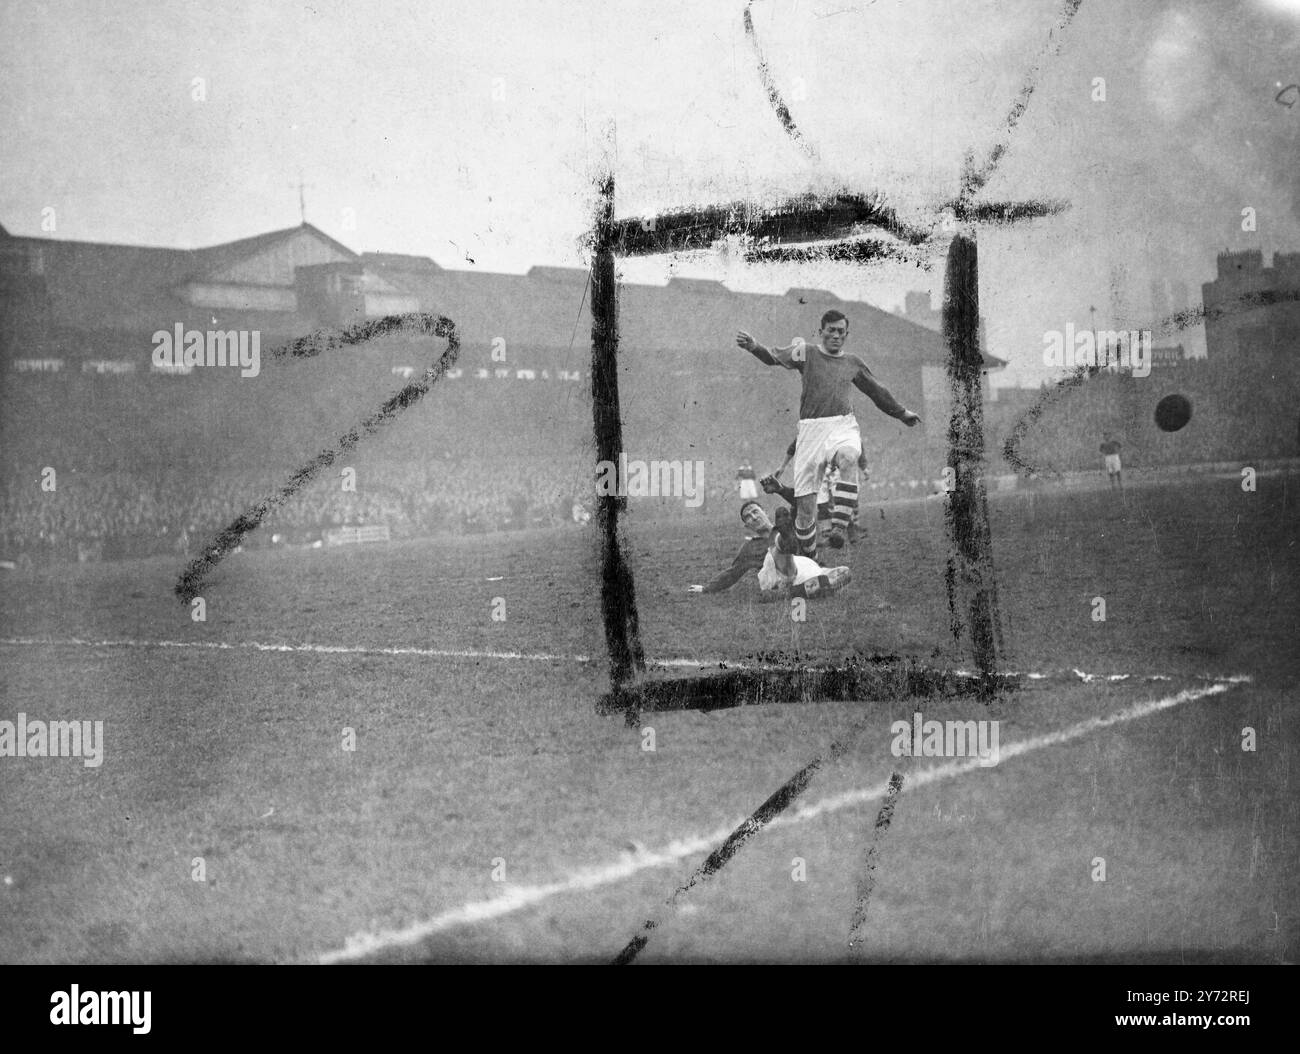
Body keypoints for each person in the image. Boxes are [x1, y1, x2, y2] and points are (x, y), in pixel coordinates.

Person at [735, 310, 920, 559]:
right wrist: (754, 346)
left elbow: (877, 391)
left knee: (848, 457)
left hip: (842, 424)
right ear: (821, 331)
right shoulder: (806, 352)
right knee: (805, 510)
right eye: (831, 330)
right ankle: (810, 562)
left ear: (846, 334)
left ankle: (840, 528)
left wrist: (901, 413)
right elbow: (773, 357)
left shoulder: (853, 362)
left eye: (840, 331)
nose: (835, 335)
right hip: (811, 430)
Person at [687, 498, 790, 594]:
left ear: (765, 512)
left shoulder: (787, 528)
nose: (753, 518)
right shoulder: (750, 548)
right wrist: (705, 588)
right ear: (747, 525)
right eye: (748, 517)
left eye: (755, 512)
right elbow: (732, 574)